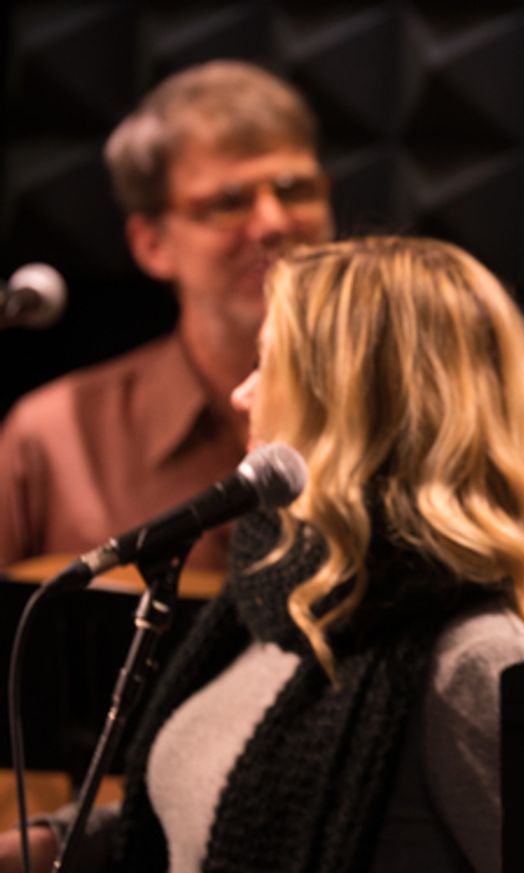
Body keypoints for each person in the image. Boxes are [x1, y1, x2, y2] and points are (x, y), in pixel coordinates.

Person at [0, 236, 524, 873]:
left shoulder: (471, 660)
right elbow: (211, 821)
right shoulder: (279, 608)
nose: (240, 392)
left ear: (349, 400)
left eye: (266, 363)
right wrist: (54, 841)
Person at [0, 60, 334, 572]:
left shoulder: (409, 418)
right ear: (151, 244)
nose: (272, 222)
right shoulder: (51, 439)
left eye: (294, 189)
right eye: (228, 202)